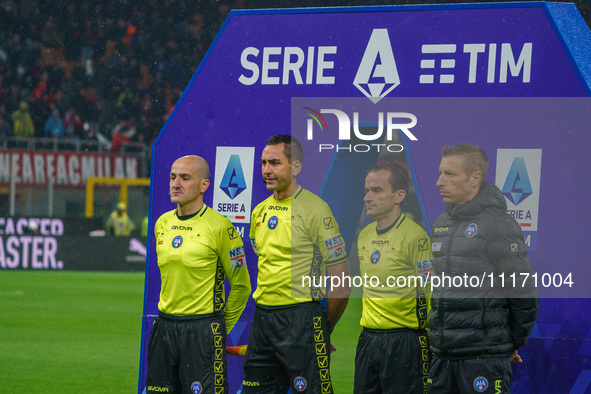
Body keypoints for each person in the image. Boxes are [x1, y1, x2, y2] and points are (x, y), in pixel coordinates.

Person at [427, 144, 539, 393]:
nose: (439, 182)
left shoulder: (499, 224)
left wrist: (510, 344)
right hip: (442, 356)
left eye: (450, 174)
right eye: (440, 172)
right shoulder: (441, 223)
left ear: (475, 178)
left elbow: (523, 292)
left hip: (483, 359)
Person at [243, 135, 350, 393]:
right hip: (263, 318)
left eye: (275, 163)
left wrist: (324, 327)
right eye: (264, 163)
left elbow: (341, 281)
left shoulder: (316, 210)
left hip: (302, 318)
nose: (267, 170)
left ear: (296, 167)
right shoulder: (259, 211)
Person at [147, 155, 251, 394]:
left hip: (203, 330)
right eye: (173, 177)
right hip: (164, 328)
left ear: (204, 185)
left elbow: (242, 285)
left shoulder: (221, 227)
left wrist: (217, 329)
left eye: (185, 178)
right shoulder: (162, 222)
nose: (176, 184)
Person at [354, 162, 433, 394]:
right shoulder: (364, 236)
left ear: (399, 195)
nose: (367, 197)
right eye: (366, 190)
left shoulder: (415, 237)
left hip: (405, 342)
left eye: (376, 190)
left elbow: (430, 293)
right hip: (368, 339)